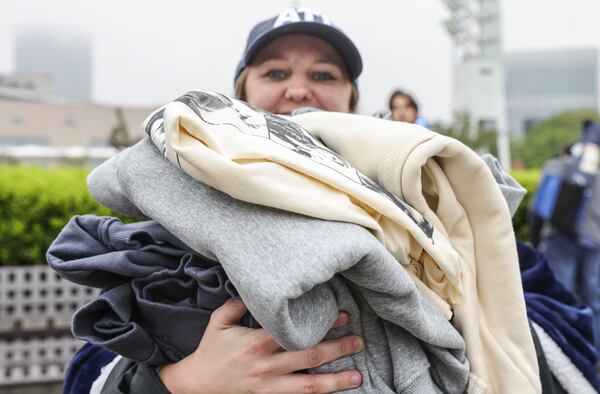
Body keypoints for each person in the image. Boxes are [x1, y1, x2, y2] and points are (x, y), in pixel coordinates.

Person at [65, 8, 366, 394]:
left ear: (352, 101)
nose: (297, 90)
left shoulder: (409, 211)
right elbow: (90, 377)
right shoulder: (181, 209)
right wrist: (183, 382)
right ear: (239, 98)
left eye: (323, 75)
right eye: (275, 73)